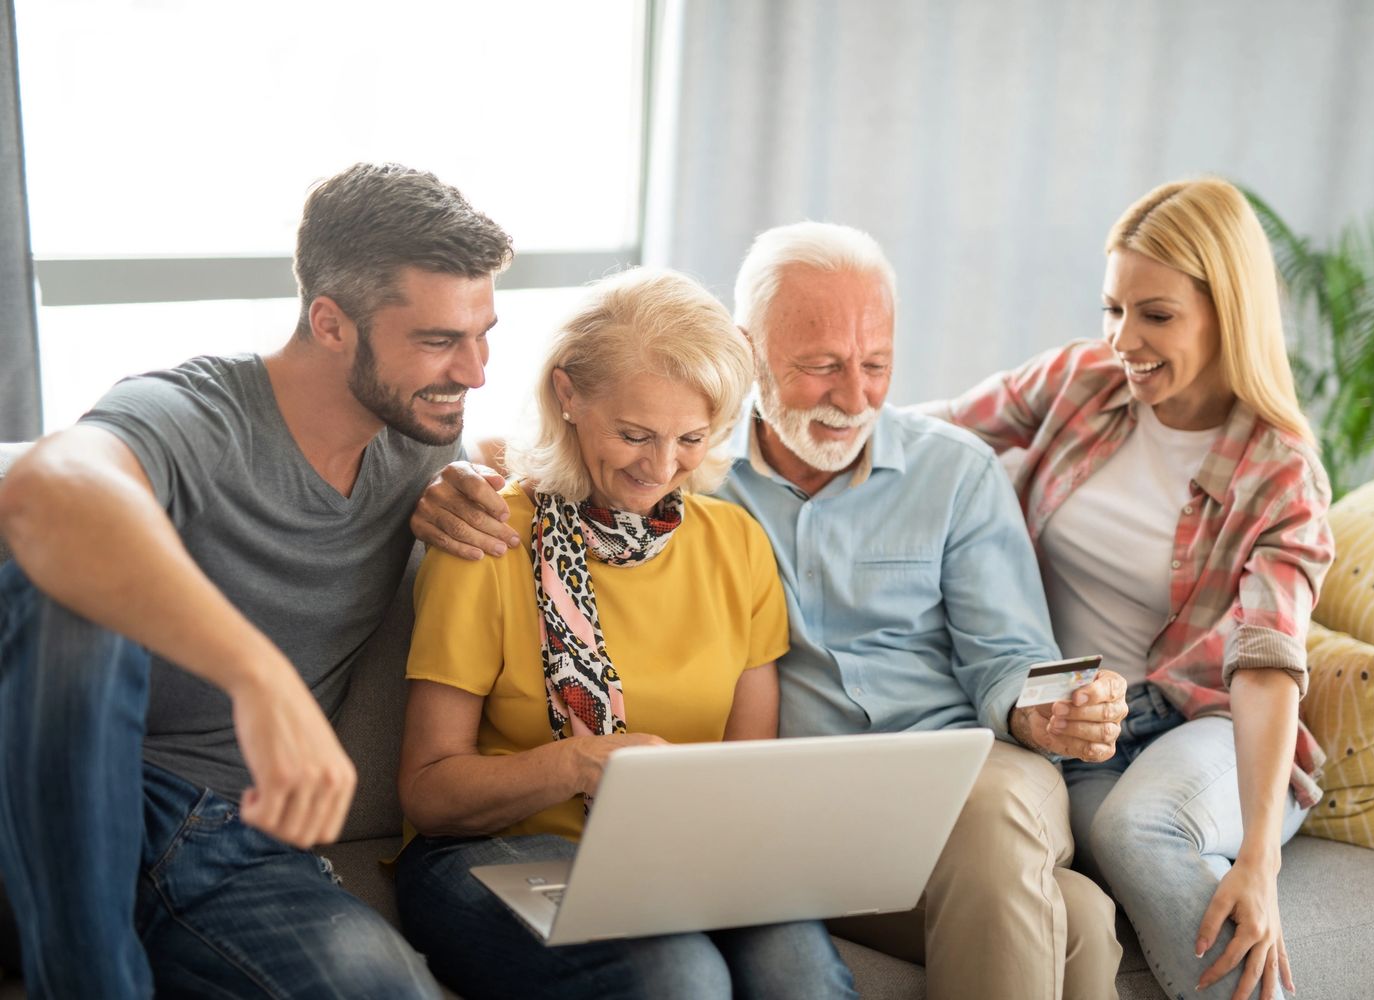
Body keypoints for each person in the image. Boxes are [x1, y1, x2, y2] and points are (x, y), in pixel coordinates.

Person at [415, 224, 1130, 1000]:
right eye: (821, 366)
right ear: (752, 353)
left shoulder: (911, 482)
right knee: (1080, 918)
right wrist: (447, 474)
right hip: (740, 822)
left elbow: (1007, 656)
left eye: (876, 365)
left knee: (1007, 846)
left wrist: (1048, 709)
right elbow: (555, 453)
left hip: (931, 780)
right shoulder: (598, 508)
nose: (852, 397)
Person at [0, 162, 514, 998]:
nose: (475, 370)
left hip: (235, 846)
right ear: (331, 323)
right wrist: (257, 675)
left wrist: (452, 496)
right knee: (56, 600)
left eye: (484, 331)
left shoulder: (420, 439)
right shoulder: (197, 413)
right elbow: (43, 489)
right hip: (63, 803)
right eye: (438, 341)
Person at [393, 266, 856, 1000]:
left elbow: (744, 771)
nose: (661, 468)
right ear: (568, 394)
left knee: (798, 972)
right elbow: (427, 793)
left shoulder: (735, 542)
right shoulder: (487, 537)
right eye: (635, 434)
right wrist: (576, 764)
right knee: (679, 974)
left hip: (679, 855)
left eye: (691, 438)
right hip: (490, 852)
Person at [922, 178, 1335, 1000]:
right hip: (1076, 718)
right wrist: (789, 418)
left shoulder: (1279, 471)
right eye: (1112, 308)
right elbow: (936, 433)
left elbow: (1264, 665)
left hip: (1203, 721)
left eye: (1155, 315)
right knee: (1068, 848)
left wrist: (1257, 859)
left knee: (1136, 829)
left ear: (1227, 312)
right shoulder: (1082, 381)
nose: (1122, 339)